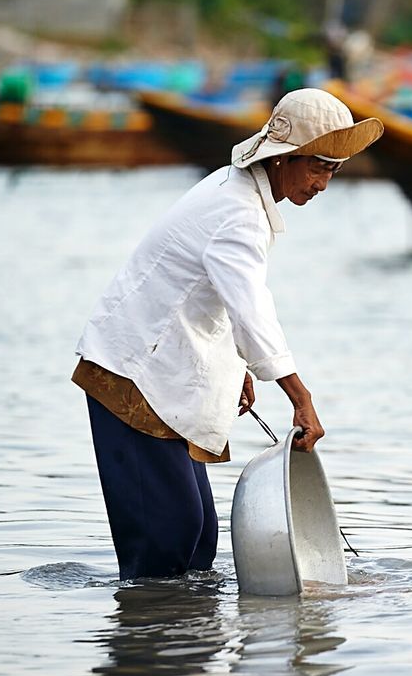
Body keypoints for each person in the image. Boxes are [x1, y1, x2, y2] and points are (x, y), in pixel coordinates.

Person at [73, 88, 383, 581]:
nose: (324, 183)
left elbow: (215, 298)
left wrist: (238, 369)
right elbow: (251, 310)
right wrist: (299, 396)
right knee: (171, 536)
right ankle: (146, 646)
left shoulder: (241, 196)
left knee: (198, 540)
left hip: (159, 373)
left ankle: (182, 646)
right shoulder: (237, 213)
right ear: (284, 158)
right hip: (132, 374)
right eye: (319, 167)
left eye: (334, 170)